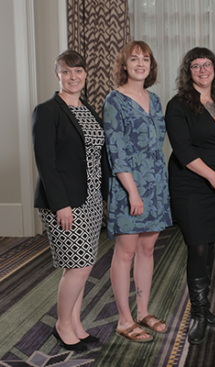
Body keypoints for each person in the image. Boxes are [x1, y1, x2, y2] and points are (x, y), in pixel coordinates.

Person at [33, 50, 109, 351]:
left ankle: (76, 323)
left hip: (89, 200)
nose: (73, 77)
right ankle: (62, 324)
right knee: (76, 266)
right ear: (58, 75)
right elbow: (46, 162)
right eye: (66, 72)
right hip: (64, 202)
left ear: (85, 74)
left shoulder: (88, 109)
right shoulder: (47, 110)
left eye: (78, 71)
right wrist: (61, 204)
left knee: (83, 265)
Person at [165, 47, 215, 345]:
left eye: (207, 64)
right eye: (196, 66)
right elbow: (182, 150)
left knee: (210, 245)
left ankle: (205, 307)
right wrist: (213, 176)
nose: (203, 70)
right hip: (190, 184)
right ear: (188, 71)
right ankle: (198, 312)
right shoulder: (178, 104)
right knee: (197, 248)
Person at [103, 40, 172, 342]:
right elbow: (116, 153)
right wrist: (132, 192)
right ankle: (124, 319)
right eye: (134, 59)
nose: (140, 64)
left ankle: (143, 311)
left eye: (145, 59)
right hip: (127, 186)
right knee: (125, 253)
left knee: (147, 249)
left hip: (156, 184)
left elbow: (157, 147)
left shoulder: (155, 100)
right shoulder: (114, 100)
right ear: (125, 64)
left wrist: (154, 187)